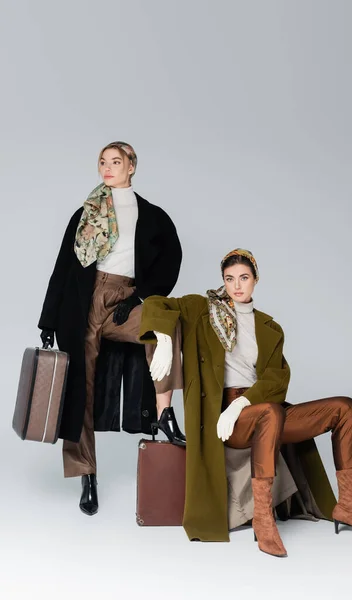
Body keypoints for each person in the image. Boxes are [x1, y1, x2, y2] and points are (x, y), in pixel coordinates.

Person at [139, 248, 352, 556]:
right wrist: (164, 338)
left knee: (345, 408)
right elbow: (155, 302)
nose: (236, 286)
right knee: (270, 413)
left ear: (256, 280)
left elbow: (277, 380)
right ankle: (263, 519)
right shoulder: (201, 309)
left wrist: (241, 404)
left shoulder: (270, 328)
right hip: (224, 420)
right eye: (229, 278)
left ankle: (350, 506)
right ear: (223, 280)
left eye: (244, 278)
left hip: (254, 409)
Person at [38, 141, 184, 516]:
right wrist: (49, 319)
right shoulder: (85, 214)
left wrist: (139, 299)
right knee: (79, 387)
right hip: (84, 300)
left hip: (126, 296)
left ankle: (165, 413)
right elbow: (63, 267)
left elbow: (171, 260)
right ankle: (87, 475)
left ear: (132, 166)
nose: (107, 167)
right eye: (103, 162)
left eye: (116, 161)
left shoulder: (151, 215)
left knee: (164, 327)